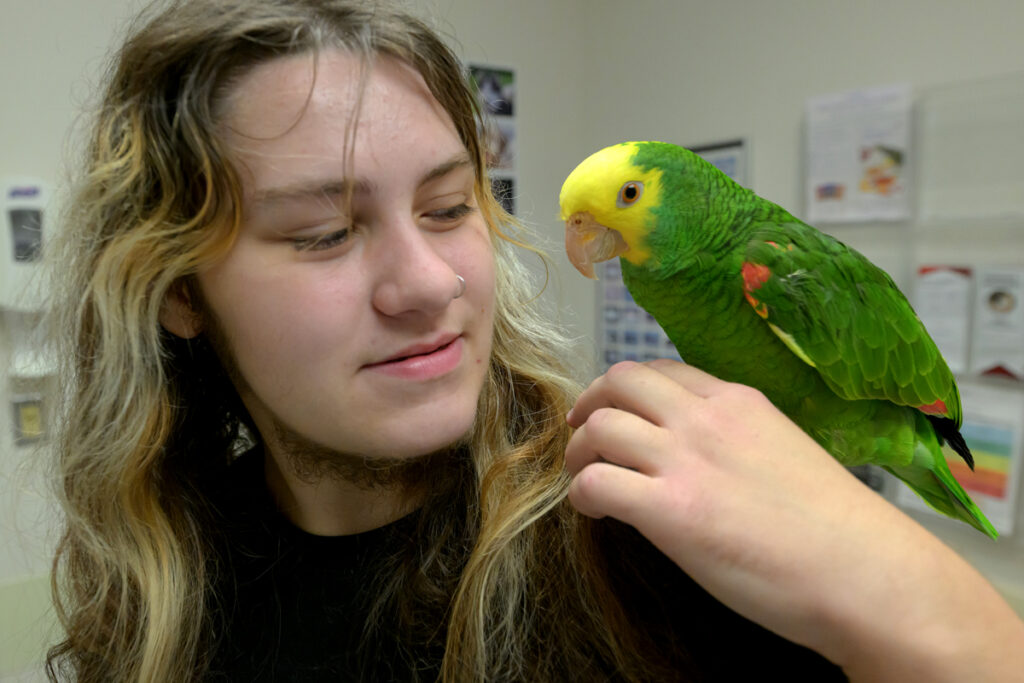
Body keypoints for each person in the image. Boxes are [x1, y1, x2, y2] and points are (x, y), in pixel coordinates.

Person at [45, 1, 1024, 681]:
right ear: (178, 291)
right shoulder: (153, 577)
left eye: (447, 205)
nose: (432, 282)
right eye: (325, 232)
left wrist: (922, 603)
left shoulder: (643, 536)